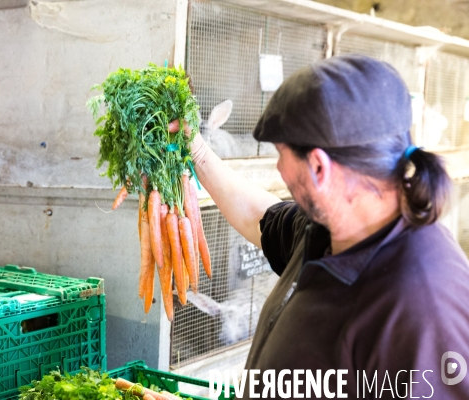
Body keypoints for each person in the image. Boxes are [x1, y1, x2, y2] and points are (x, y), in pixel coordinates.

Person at [169, 54, 469, 398]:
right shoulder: (330, 232)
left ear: (319, 167)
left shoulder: (422, 308)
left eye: (281, 154)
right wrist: (196, 147)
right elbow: (260, 216)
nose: (279, 168)